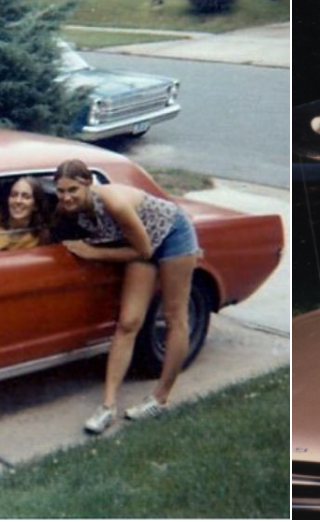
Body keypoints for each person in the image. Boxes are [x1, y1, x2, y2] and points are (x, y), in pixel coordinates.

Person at [51, 159, 201, 435]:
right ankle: (108, 406)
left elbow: (144, 251)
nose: (66, 197)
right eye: (60, 191)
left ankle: (160, 398)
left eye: (72, 189)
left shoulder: (113, 203)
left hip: (171, 236)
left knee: (174, 317)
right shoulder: (67, 208)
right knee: (129, 322)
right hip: (137, 244)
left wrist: (93, 253)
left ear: (87, 183)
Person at [0, 177, 49, 252]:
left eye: (26, 197)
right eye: (14, 195)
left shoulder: (41, 236)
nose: (18, 201)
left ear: (36, 205)